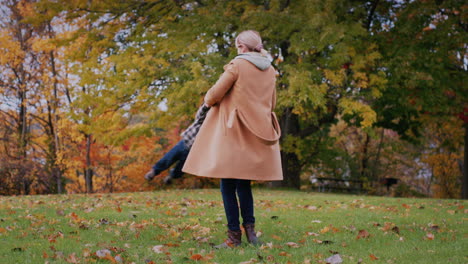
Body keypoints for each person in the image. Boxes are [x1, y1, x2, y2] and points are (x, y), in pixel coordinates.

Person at [182, 30, 283, 248]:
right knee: (244, 184)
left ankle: (233, 238)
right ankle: (251, 233)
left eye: (238, 46)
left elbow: (212, 96)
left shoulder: (237, 65)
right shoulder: (271, 70)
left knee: (227, 184)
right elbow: (271, 104)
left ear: (242, 46)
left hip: (234, 131)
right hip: (256, 132)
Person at [144, 104, 210, 184]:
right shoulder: (203, 119)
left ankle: (171, 176)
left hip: (194, 152)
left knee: (182, 168)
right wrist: (206, 106)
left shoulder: (215, 130)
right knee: (169, 157)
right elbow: (200, 114)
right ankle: (154, 171)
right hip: (185, 142)